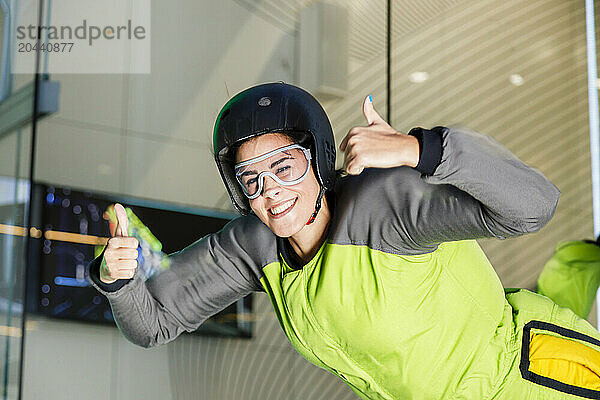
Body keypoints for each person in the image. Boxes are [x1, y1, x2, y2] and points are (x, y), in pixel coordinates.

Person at [87, 82, 600, 399]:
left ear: (318, 158)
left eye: (285, 167)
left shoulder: (386, 204)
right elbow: (152, 324)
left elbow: (534, 205)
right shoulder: (256, 246)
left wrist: (420, 149)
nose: (272, 193)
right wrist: (118, 279)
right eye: (251, 180)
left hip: (530, 384)